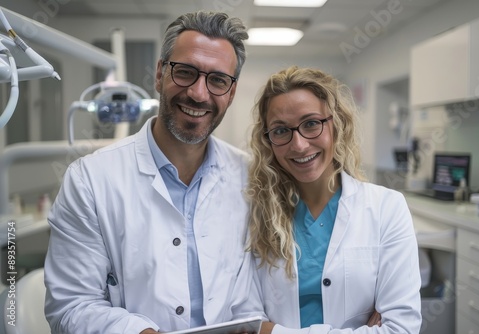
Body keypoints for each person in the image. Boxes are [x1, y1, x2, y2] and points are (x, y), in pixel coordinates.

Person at [44, 11, 264, 334]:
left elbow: (261, 292)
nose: (199, 94)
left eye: (217, 80)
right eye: (186, 72)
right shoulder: (89, 180)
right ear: (160, 74)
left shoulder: (250, 177)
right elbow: (70, 307)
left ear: (231, 93)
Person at [246, 66, 422, 334]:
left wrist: (274, 331)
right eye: (281, 131)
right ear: (268, 140)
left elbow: (401, 329)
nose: (299, 145)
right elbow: (245, 321)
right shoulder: (255, 213)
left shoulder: (387, 208)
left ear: (336, 124)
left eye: (311, 124)